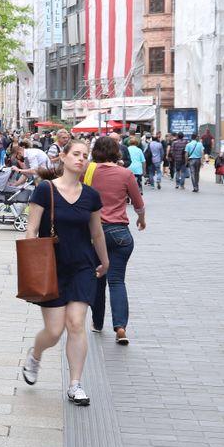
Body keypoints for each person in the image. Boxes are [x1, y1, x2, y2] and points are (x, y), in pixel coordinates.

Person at [21, 139, 109, 407]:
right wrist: (32, 264)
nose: (81, 159)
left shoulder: (91, 196)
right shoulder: (45, 190)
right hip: (51, 268)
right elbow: (31, 229)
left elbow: (96, 231)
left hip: (82, 266)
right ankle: (36, 354)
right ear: (64, 156)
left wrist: (104, 262)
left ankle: (75, 385)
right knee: (55, 330)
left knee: (76, 323)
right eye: (76, 154)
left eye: (85, 155)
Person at [86, 137, 145, 346]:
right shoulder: (126, 174)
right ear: (117, 152)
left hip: (94, 233)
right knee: (117, 281)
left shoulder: (88, 171)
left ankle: (97, 321)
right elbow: (138, 203)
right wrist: (141, 218)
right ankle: (120, 327)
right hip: (120, 233)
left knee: (97, 279)